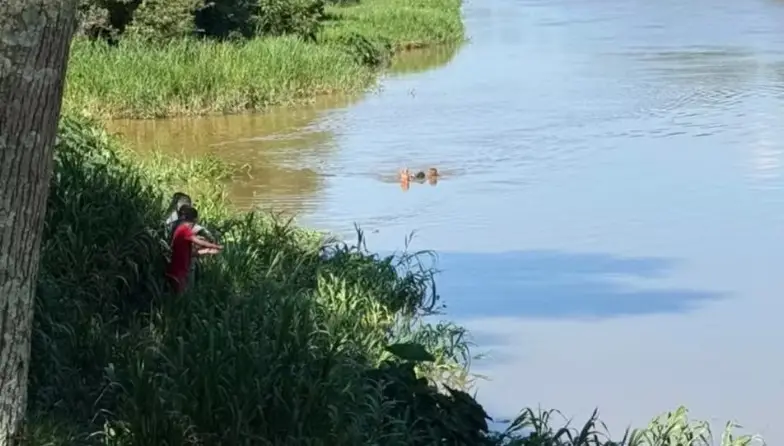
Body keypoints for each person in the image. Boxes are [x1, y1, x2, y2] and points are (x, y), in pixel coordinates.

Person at [166, 205, 223, 294]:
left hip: (180, 270)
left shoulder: (180, 229)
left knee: (181, 297)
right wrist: (215, 246)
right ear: (195, 219)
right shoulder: (184, 230)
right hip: (179, 271)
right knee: (180, 298)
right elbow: (199, 242)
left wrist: (207, 251)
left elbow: (189, 253)